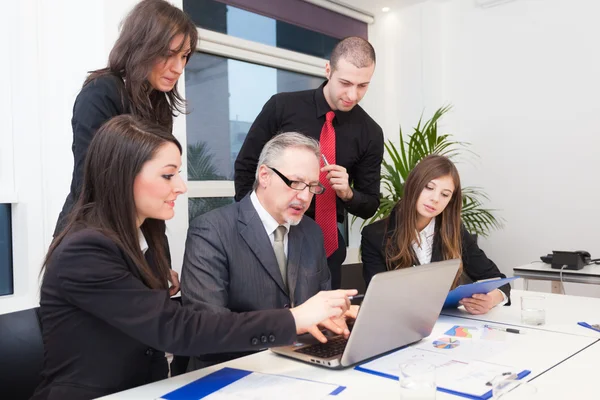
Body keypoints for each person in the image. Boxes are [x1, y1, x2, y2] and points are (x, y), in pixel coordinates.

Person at [31, 115, 355, 400]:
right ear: (123, 176)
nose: (182, 187)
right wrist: (295, 318)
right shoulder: (85, 249)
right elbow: (179, 330)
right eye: (169, 175)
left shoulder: (146, 239)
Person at [234, 36, 384, 290]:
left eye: (362, 86)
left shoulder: (370, 132)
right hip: (270, 239)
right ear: (328, 70)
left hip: (326, 247)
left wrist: (348, 193)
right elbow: (247, 166)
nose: (352, 95)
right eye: (345, 83)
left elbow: (369, 205)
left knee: (326, 323)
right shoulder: (282, 106)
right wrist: (253, 228)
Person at [182, 132, 342, 370]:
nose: (305, 196)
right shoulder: (212, 230)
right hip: (233, 372)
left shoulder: (311, 232)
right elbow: (207, 332)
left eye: (312, 186)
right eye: (295, 183)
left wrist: (338, 315)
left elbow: (319, 306)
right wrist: (292, 320)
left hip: (303, 366)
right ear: (264, 175)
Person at [54, 0, 198, 235]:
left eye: (184, 56)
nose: (178, 68)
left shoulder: (158, 102)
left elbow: (153, 194)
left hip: (138, 237)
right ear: (141, 47)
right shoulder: (101, 93)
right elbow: (92, 183)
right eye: (169, 55)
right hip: (93, 234)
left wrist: (159, 262)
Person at [360, 155, 510, 315]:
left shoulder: (454, 231)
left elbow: (498, 280)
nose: (435, 199)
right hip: (400, 325)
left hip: (447, 325)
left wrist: (492, 299)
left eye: (445, 195)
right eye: (429, 187)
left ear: (450, 201)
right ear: (413, 185)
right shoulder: (375, 235)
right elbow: (378, 298)